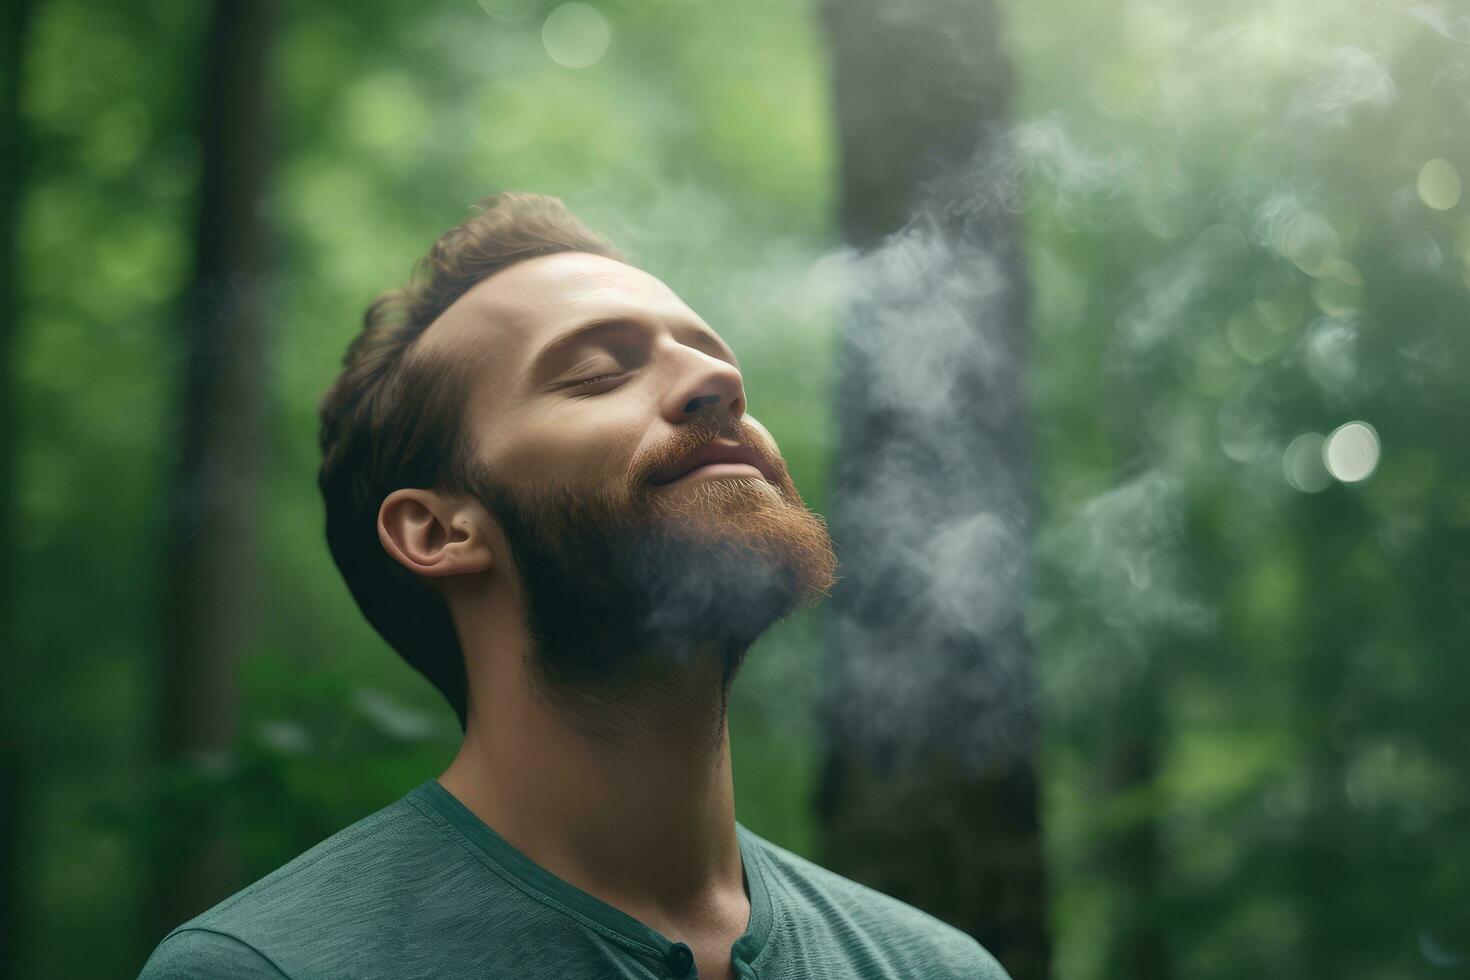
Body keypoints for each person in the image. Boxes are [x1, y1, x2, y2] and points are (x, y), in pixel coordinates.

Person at [138, 193, 1011, 980]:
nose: (720, 382)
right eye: (599, 372)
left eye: (712, 357)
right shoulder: (271, 969)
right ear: (441, 531)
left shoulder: (936, 967)